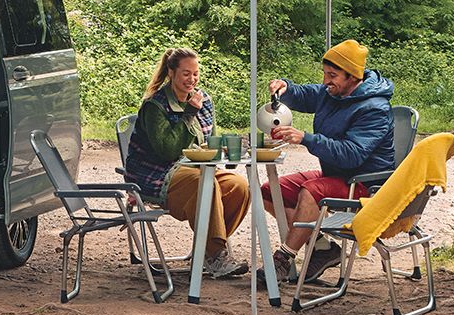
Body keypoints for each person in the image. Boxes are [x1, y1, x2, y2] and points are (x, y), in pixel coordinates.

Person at [263, 39, 396, 281]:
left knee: (312, 191)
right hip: (338, 177)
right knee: (270, 190)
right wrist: (286, 88)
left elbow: (352, 154)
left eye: (332, 75)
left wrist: (306, 138)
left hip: (366, 184)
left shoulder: (374, 108)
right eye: (324, 73)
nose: (326, 81)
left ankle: (284, 258)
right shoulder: (333, 92)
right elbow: (307, 94)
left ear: (353, 76)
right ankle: (322, 248)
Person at [122, 48, 251, 279]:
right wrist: (189, 113)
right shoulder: (156, 106)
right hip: (156, 173)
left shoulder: (204, 100)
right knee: (206, 184)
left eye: (195, 73)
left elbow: (210, 141)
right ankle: (216, 256)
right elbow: (167, 150)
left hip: (196, 167)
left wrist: (229, 150)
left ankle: (208, 249)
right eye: (185, 74)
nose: (192, 79)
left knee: (239, 186)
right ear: (171, 73)